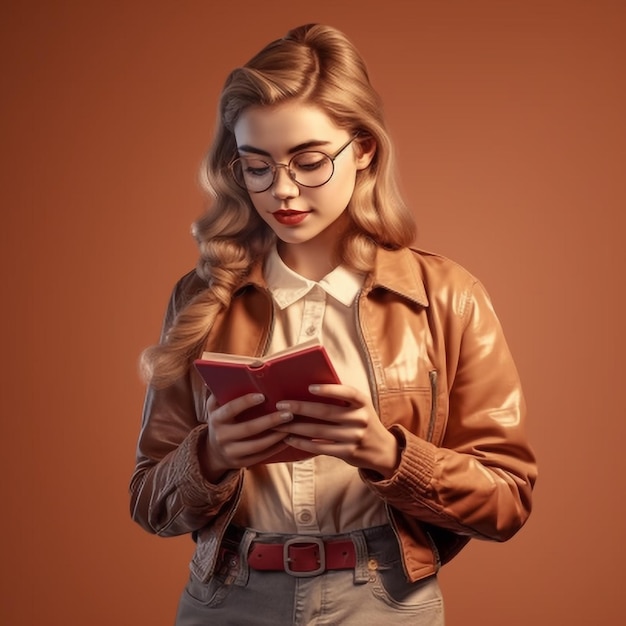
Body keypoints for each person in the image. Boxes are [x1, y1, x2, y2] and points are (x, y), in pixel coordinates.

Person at [129, 23, 537, 626]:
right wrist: (210, 456)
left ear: (364, 149)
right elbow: (148, 501)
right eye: (257, 166)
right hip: (227, 598)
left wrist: (388, 453)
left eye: (310, 161)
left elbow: (507, 500)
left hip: (384, 599)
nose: (283, 191)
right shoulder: (203, 297)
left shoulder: (449, 297)